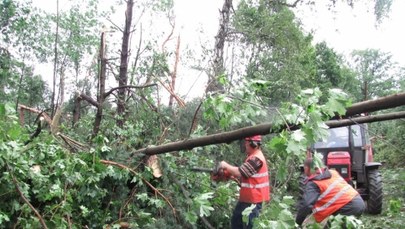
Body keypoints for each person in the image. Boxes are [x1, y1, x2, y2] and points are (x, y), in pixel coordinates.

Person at [214, 135, 270, 229]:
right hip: (246, 200)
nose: (244, 145)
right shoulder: (252, 157)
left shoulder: (257, 159)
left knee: (248, 226)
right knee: (236, 223)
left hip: (253, 203)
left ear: (252, 143)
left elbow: (240, 172)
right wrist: (231, 176)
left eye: (246, 142)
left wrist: (224, 165)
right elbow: (247, 177)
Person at [295, 157, 365, 228]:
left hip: (347, 207)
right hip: (358, 201)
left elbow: (306, 205)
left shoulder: (314, 183)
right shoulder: (333, 172)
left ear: (307, 168)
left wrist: (298, 223)